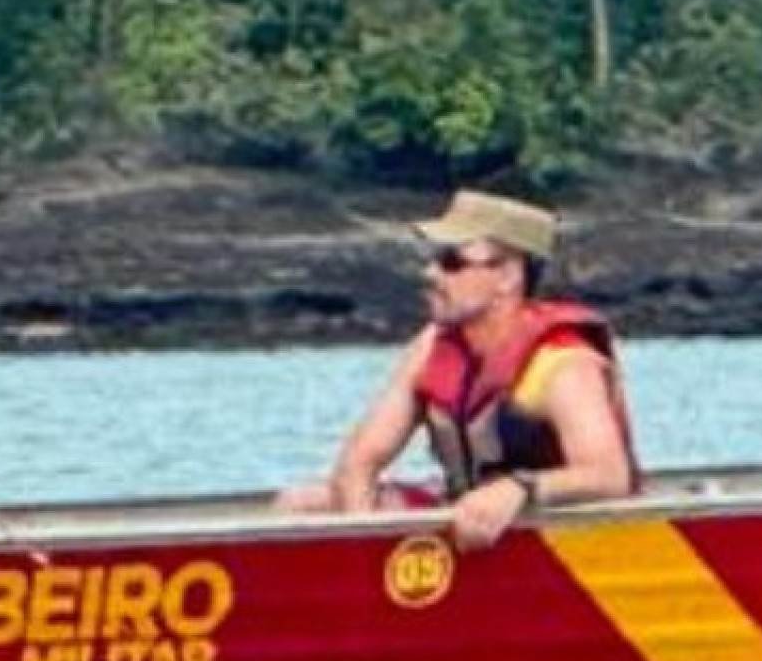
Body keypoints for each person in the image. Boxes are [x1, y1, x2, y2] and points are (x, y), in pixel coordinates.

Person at [274, 190, 640, 550]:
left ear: (507, 277)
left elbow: (609, 476)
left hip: (555, 530)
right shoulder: (431, 346)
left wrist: (518, 489)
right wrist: (363, 542)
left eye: (452, 262)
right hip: (464, 516)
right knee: (302, 503)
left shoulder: (562, 364)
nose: (431, 273)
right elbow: (358, 464)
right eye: (435, 258)